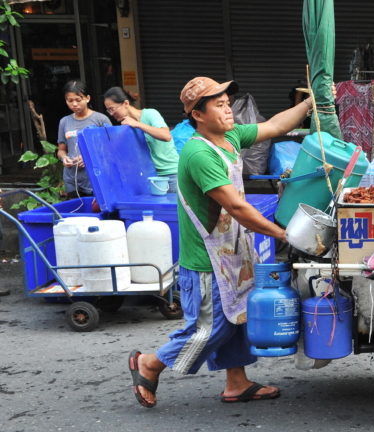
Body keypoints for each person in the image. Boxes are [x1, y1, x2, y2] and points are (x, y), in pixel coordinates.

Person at [128, 77, 314, 408]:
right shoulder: (199, 153)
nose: (228, 109)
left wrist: (310, 103)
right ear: (198, 115)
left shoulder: (229, 137)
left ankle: (236, 382)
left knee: (238, 315)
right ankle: (149, 363)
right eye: (219, 105)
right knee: (208, 328)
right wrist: (285, 235)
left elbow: (272, 126)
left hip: (232, 250)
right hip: (206, 259)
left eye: (228, 103)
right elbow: (238, 208)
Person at [103, 87, 180, 193]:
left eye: (112, 109)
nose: (111, 114)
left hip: (171, 175)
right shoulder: (126, 126)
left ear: (125, 103)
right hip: (149, 177)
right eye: (108, 111)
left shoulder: (150, 114)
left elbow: (166, 136)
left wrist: (137, 124)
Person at [56, 80, 112, 199]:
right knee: (76, 212)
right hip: (72, 179)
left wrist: (89, 157)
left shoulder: (100, 120)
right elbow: (61, 149)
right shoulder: (64, 122)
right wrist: (64, 158)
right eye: (70, 101)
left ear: (87, 98)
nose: (74, 104)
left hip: (96, 178)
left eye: (78, 99)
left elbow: (111, 149)